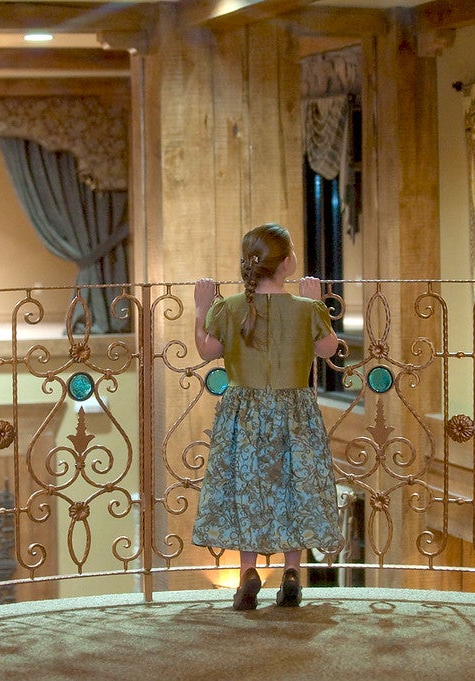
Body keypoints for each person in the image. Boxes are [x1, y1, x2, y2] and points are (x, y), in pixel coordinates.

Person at [191, 223, 343, 611]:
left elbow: (207, 351)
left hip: (244, 413)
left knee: (248, 487)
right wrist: (318, 304)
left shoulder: (230, 307)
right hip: (295, 412)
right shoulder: (307, 309)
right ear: (288, 263)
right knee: (293, 486)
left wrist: (201, 308)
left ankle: (248, 572)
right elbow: (329, 349)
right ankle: (292, 572)